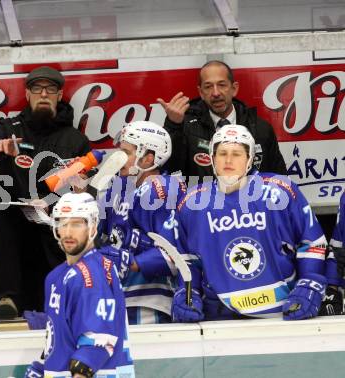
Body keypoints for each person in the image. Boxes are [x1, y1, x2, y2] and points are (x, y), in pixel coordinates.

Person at [170, 125, 329, 322]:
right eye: (222, 154)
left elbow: (312, 242)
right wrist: (188, 293)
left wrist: (309, 282)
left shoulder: (280, 191)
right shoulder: (192, 202)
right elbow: (185, 258)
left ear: (250, 159)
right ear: (212, 158)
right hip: (219, 317)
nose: (228, 160)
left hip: (282, 313)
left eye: (236, 154)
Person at [0, 66, 90, 319]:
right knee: (5, 213)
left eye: (51, 89)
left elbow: (83, 184)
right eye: (37, 89)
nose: (44, 94)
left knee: (68, 223)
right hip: (16, 209)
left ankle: (65, 297)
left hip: (53, 212)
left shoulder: (75, 138)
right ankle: (8, 299)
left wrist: (65, 194)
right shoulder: (8, 126)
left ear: (60, 95)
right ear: (27, 94)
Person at [24, 192, 135, 378]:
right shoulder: (56, 276)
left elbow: (99, 341)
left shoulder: (93, 273)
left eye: (76, 224)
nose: (67, 232)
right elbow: (61, 337)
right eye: (62, 223)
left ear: (92, 226)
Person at [99, 121, 187, 324]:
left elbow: (174, 253)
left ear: (148, 158)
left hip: (149, 302)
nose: (118, 158)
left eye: (126, 153)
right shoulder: (122, 189)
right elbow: (97, 233)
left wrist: (133, 261)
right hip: (120, 298)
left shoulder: (160, 188)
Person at [157, 60, 287, 183]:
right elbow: (170, 171)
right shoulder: (186, 127)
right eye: (208, 87)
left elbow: (279, 178)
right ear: (201, 93)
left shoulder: (260, 128)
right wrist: (173, 125)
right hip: (202, 205)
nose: (215, 93)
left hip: (248, 205)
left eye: (222, 85)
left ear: (234, 88)